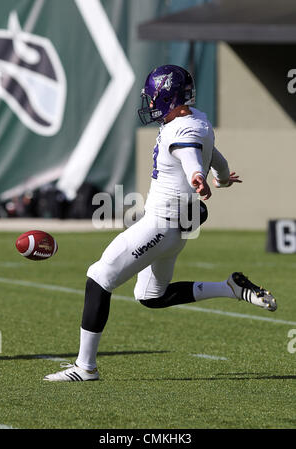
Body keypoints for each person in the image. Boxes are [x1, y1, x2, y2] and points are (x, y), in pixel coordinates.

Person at [44, 65, 277, 382]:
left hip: (160, 224)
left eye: (155, 98)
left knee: (98, 276)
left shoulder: (182, 130)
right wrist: (221, 177)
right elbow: (214, 155)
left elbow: (191, 154)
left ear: (171, 98)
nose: (151, 104)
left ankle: (85, 368)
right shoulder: (197, 119)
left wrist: (197, 176)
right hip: (176, 230)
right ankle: (230, 288)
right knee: (151, 296)